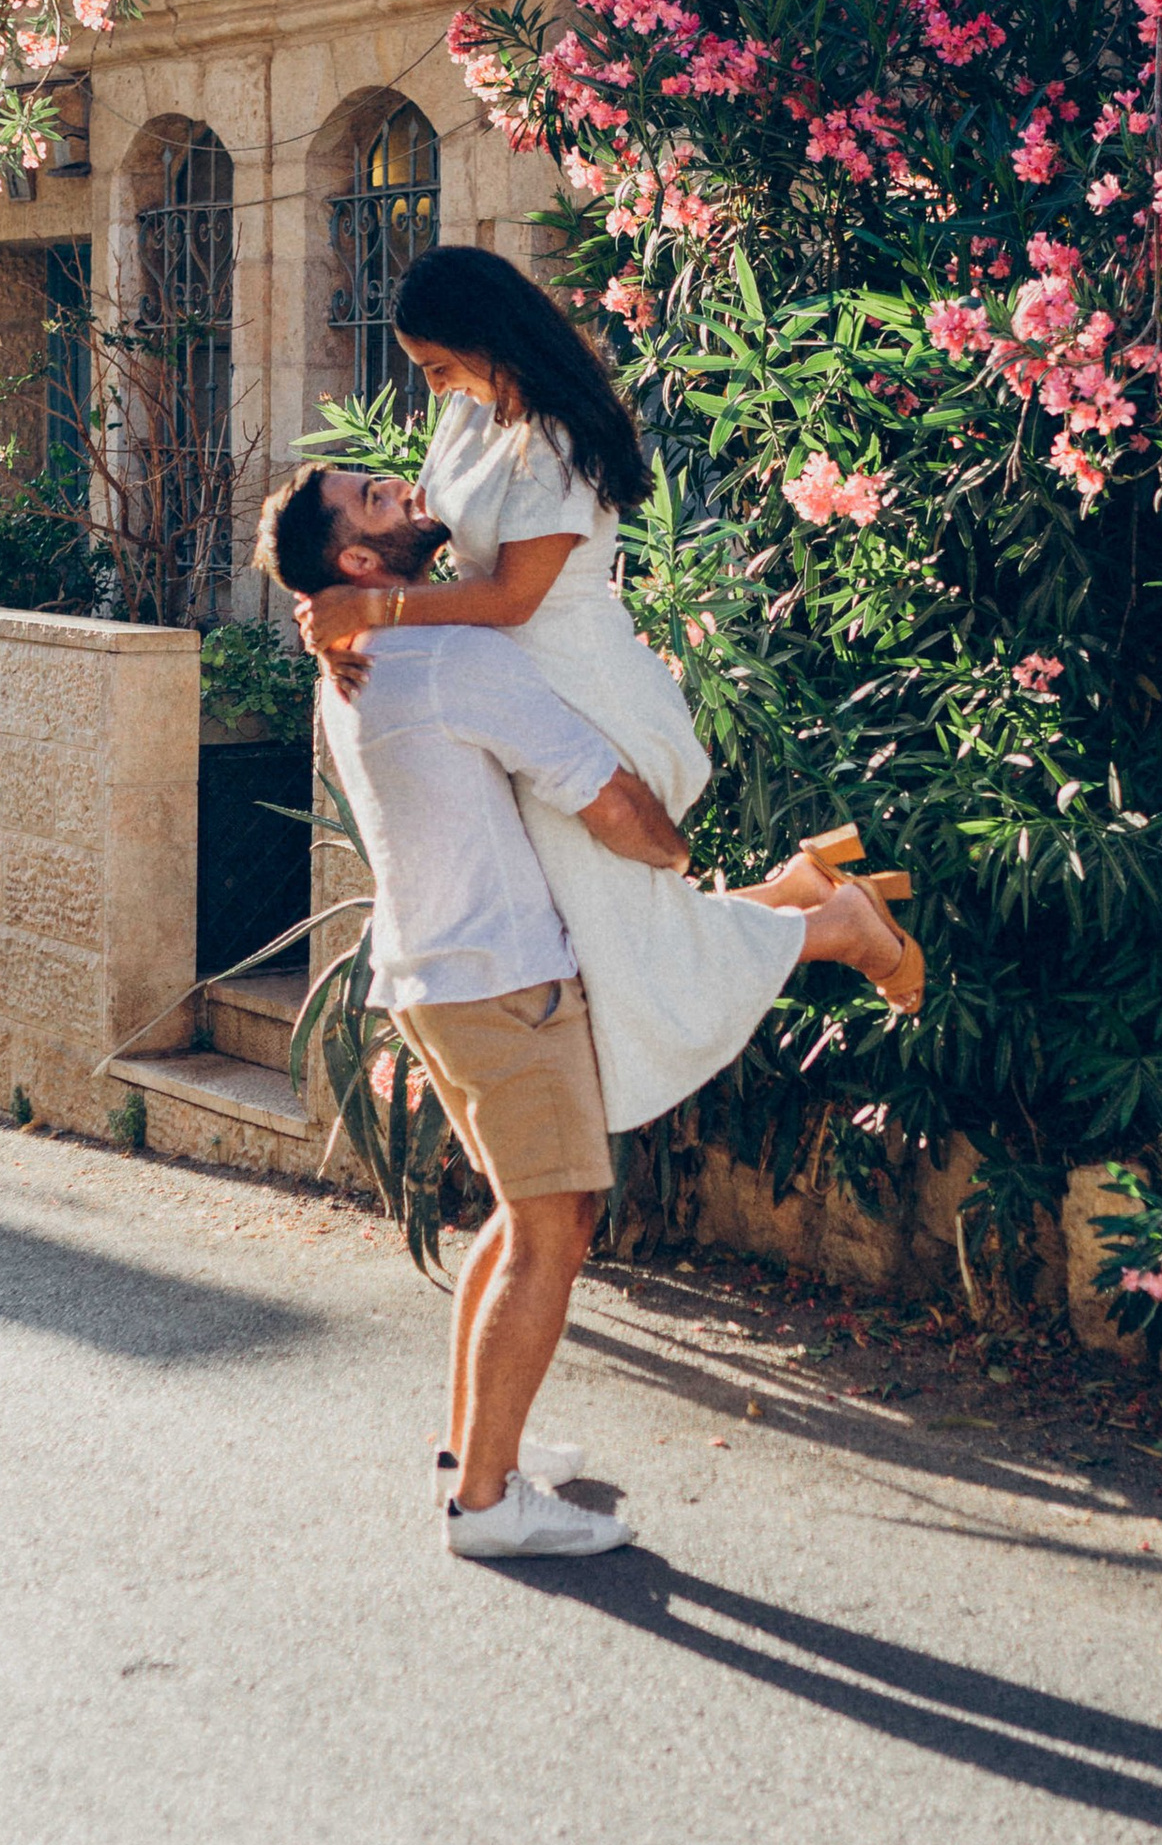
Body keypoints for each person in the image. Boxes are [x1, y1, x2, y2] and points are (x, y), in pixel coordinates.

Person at [255, 461, 916, 1560]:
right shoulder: (451, 655)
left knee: (524, 1220)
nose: (404, 490)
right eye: (375, 502)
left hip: (438, 979)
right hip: (502, 988)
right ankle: (484, 1503)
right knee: (555, 1229)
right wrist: (668, 846)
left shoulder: (357, 661)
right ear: (359, 566)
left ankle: (476, 1445)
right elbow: (600, 792)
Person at [290, 243, 918, 1140]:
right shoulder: (474, 413)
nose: (432, 390)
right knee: (605, 933)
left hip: (582, 693)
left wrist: (375, 608)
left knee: (617, 943)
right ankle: (801, 894)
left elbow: (512, 596)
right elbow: (422, 536)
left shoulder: (556, 441)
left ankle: (842, 924)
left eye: (437, 367)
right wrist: (335, 610)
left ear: (487, 340)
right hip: (508, 690)